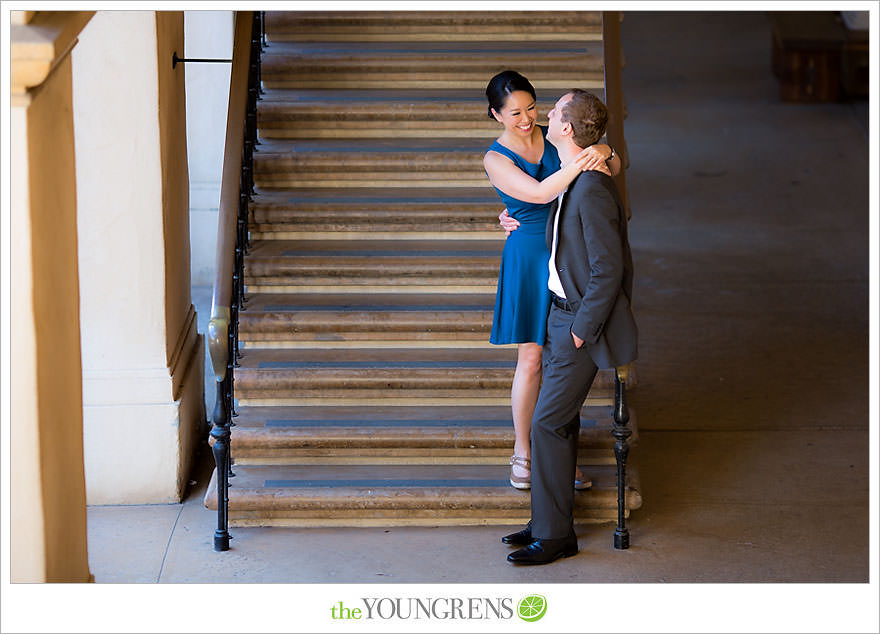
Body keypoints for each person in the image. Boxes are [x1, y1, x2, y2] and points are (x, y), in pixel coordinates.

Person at [503, 89, 637, 565]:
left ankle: (556, 535)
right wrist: (510, 217)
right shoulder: (570, 177)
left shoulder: (593, 186)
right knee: (558, 423)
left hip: (580, 323)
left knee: (547, 422)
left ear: (566, 129)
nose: (545, 116)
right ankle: (547, 523)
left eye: (554, 111)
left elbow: (610, 269)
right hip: (558, 315)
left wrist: (581, 328)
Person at [483, 70, 620, 490]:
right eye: (514, 113)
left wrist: (605, 148)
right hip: (529, 255)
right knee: (532, 357)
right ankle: (524, 452)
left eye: (530, 109)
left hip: (567, 250)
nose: (525, 120)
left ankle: (555, 457)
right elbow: (541, 194)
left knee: (561, 363)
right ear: (495, 115)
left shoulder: (557, 134)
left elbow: (615, 163)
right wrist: (586, 158)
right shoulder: (495, 158)